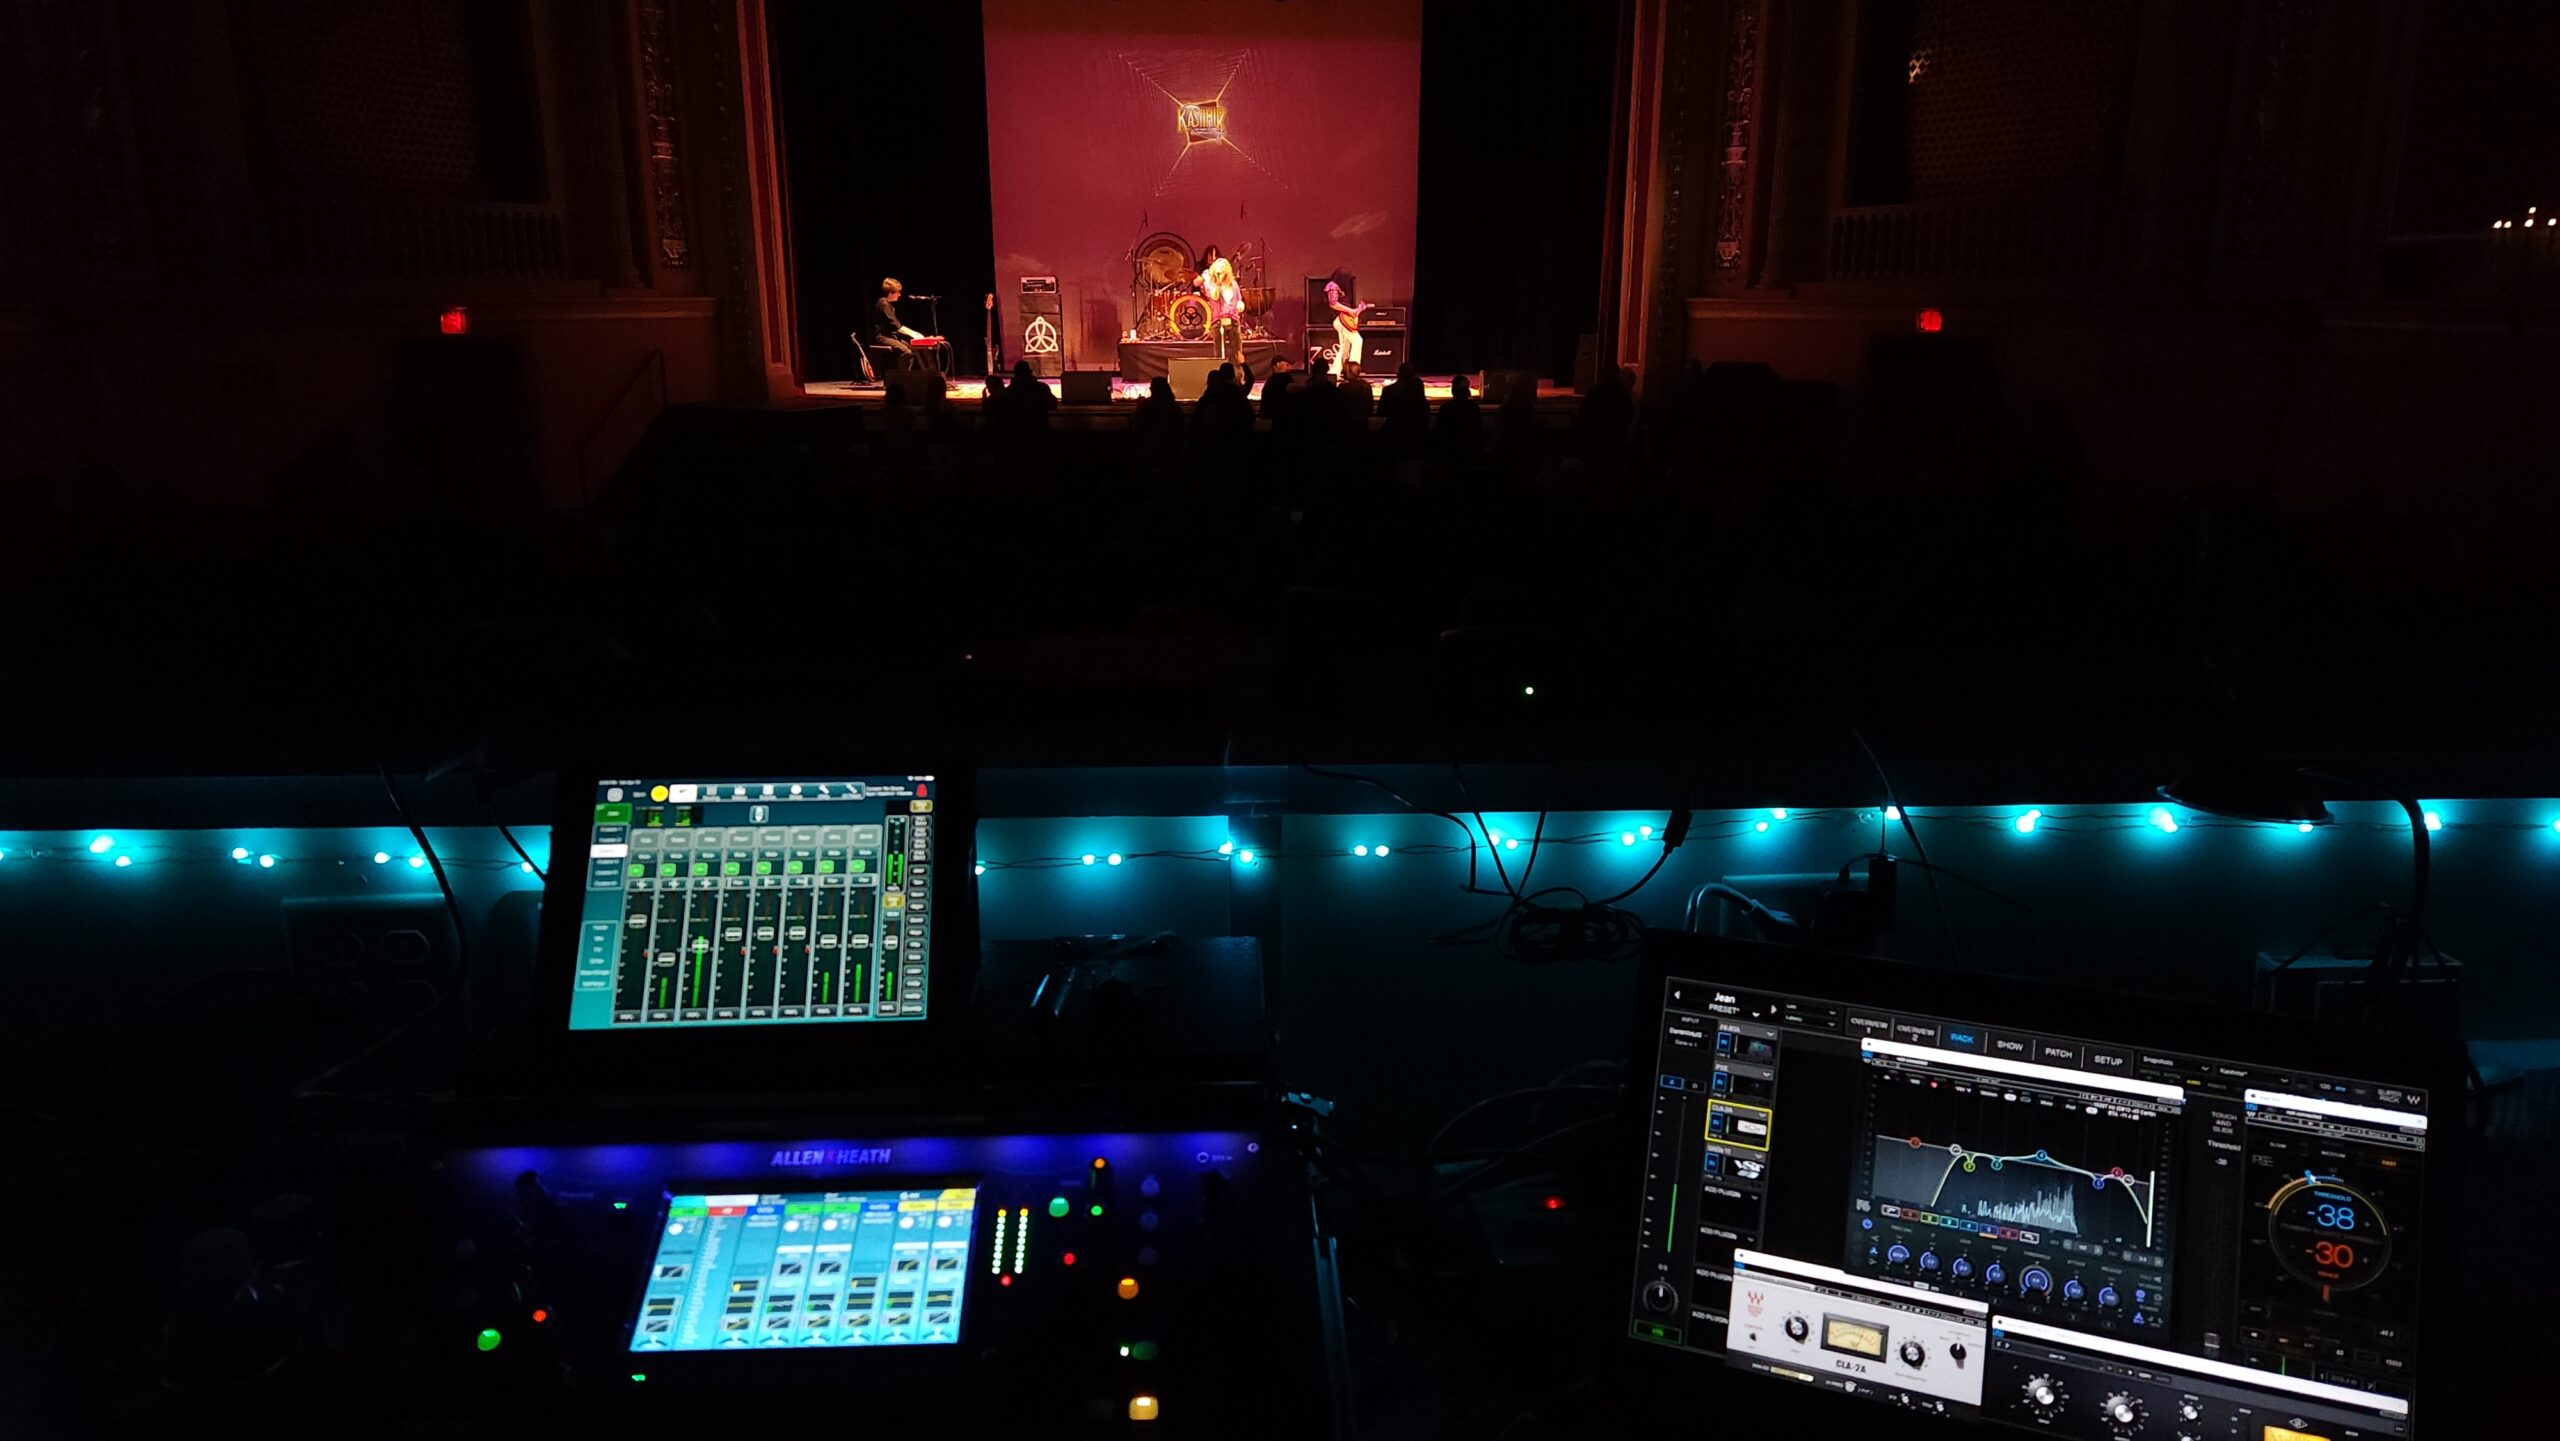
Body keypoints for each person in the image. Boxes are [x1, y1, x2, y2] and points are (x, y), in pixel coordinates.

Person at [1200, 256, 1244, 367]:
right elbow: (1214, 297)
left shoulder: (1233, 284)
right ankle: (1221, 377)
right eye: (1219, 270)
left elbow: (1239, 300)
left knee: (1237, 353)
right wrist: (1218, 283)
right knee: (1219, 353)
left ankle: (1239, 376)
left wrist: (1240, 304)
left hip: (1233, 321)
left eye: (1223, 269)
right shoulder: (1210, 284)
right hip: (1218, 322)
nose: (1221, 272)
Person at [873, 277, 925, 369]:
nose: (900, 295)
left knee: (913, 350)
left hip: (890, 336)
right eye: (898, 292)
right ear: (891, 292)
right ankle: (899, 377)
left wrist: (914, 333)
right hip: (883, 337)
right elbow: (896, 325)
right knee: (906, 351)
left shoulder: (889, 305)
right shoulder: (883, 303)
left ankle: (904, 375)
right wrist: (914, 334)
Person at [1323, 278, 1370, 378]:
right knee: (1358, 341)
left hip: (1343, 320)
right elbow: (1333, 303)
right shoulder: (1333, 286)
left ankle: (1333, 373)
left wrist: (1358, 310)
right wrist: (1351, 310)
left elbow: (1350, 312)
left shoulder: (1340, 289)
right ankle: (1353, 370)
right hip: (1341, 320)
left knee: (1344, 348)